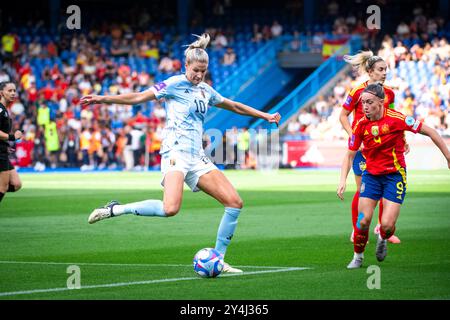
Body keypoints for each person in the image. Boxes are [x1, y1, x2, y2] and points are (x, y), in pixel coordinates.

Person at [81, 34, 281, 273]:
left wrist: (265, 115)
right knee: (170, 209)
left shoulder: (206, 90)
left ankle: (219, 258)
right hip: (175, 153)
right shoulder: (173, 84)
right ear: (186, 65)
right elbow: (138, 97)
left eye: (203, 71)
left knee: (234, 202)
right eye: (196, 70)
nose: (199, 75)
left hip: (197, 157)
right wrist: (102, 98)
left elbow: (235, 106)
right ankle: (114, 209)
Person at [337, 83, 450, 269]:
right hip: (371, 176)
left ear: (381, 103)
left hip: (394, 176)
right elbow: (349, 154)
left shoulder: (397, 119)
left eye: (369, 102)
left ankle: (383, 237)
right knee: (363, 220)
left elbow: (430, 131)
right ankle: (358, 257)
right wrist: (342, 180)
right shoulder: (360, 124)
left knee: (387, 225)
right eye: (363, 102)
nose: (365, 106)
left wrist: (447, 155)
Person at [340, 50, 403, 244]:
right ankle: (357, 229)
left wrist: (403, 138)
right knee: (362, 191)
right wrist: (354, 137)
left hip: (383, 148)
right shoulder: (357, 92)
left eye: (386, 69)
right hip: (363, 148)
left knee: (387, 192)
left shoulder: (389, 93)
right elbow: (342, 116)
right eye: (381, 70)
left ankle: (383, 230)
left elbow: (393, 117)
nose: (385, 73)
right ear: (370, 71)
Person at [0, 81, 23, 204]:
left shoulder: (4, 110)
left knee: (16, 184)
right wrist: (12, 137)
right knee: (2, 188)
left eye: (14, 90)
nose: (13, 93)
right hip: (0, 153)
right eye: (9, 91)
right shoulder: (0, 109)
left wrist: (5, 144)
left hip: (3, 150)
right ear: (1, 93)